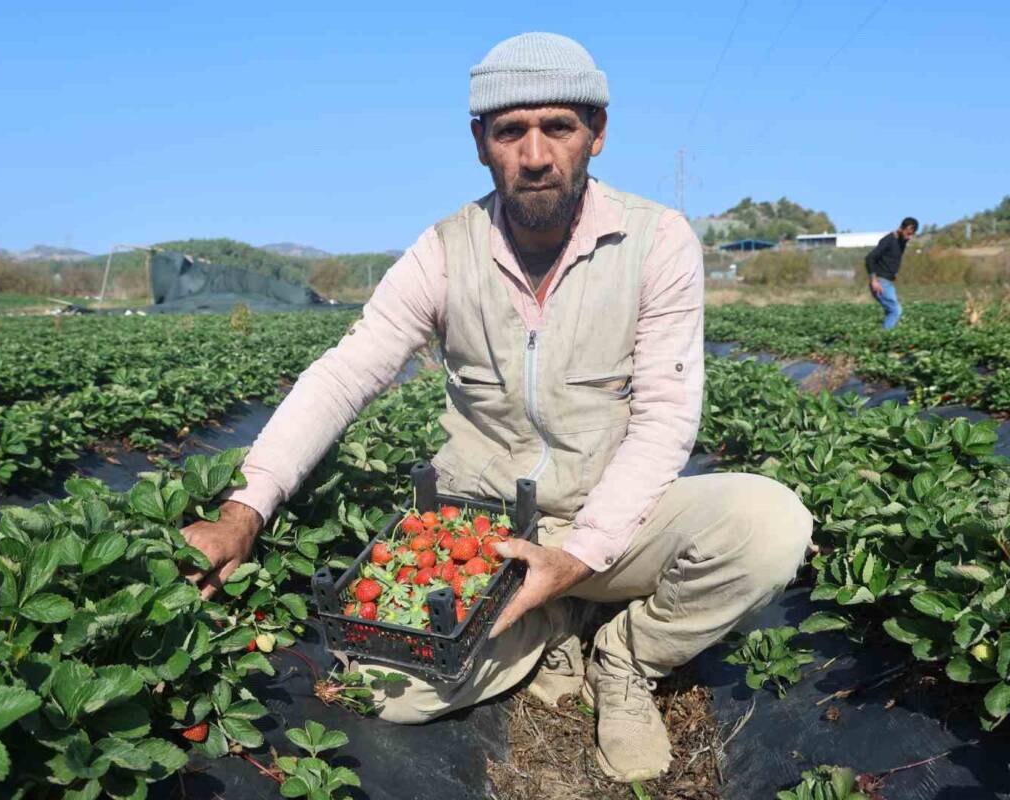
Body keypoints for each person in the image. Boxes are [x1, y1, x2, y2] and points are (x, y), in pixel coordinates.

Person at [180, 32, 812, 783]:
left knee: (771, 526)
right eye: (511, 131)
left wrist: (576, 556)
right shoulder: (445, 250)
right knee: (386, 693)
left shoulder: (656, 242)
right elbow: (344, 374)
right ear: (481, 143)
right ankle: (550, 624)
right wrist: (244, 510)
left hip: (614, 517)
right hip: (484, 537)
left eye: (560, 127)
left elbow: (667, 418)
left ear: (598, 135)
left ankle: (624, 658)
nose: (536, 154)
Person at [865, 217, 918, 329]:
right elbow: (870, 258)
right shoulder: (888, 240)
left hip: (888, 282)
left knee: (891, 312)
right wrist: (874, 280)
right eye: (908, 233)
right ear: (901, 228)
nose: (909, 237)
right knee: (895, 310)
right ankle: (884, 338)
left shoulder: (901, 242)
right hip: (880, 282)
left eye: (912, 235)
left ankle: (884, 337)